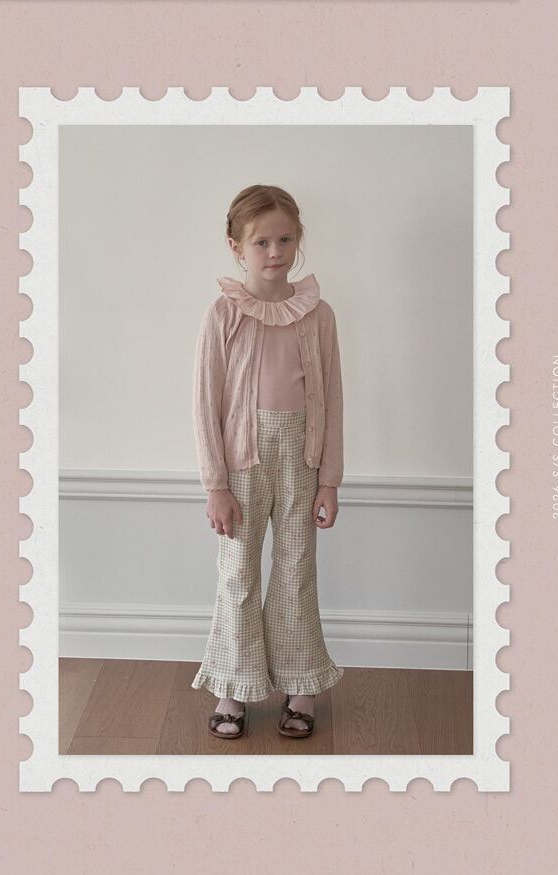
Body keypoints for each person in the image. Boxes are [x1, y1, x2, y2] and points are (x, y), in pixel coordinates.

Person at [191, 184, 344, 739]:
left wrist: (329, 480)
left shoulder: (318, 314)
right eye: (261, 242)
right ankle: (233, 686)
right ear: (236, 247)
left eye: (285, 239)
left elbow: (332, 397)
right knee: (238, 573)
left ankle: (302, 686)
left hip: (302, 460)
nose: (275, 252)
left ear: (298, 240)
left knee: (297, 570)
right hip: (241, 466)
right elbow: (205, 402)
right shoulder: (224, 314)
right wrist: (216, 484)